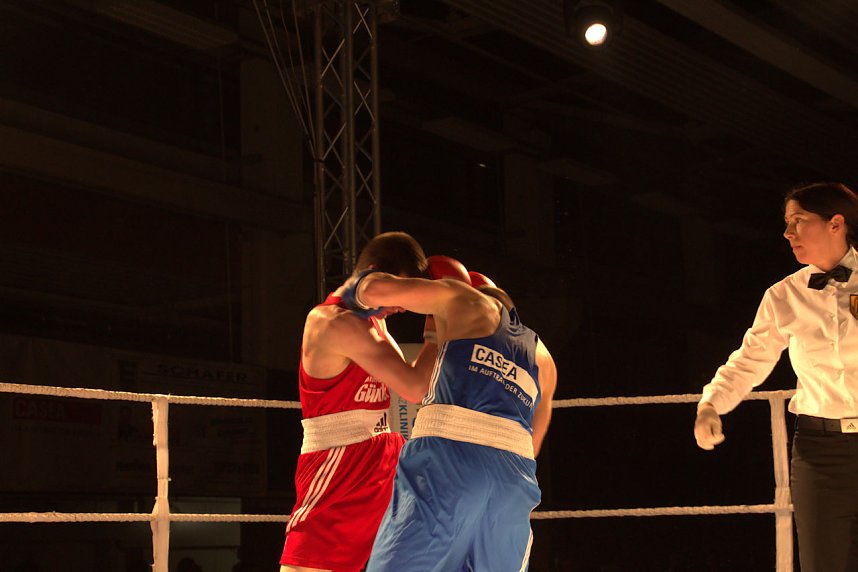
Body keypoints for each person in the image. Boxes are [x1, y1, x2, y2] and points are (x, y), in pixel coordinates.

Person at [341, 267, 557, 571]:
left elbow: (375, 290)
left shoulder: (465, 299)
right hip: (513, 488)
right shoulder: (545, 359)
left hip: (449, 464)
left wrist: (354, 289)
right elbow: (532, 446)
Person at [693, 181, 858, 572]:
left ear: (835, 224)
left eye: (798, 221)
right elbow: (750, 359)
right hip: (820, 452)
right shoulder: (784, 295)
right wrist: (711, 404)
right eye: (787, 223)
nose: (787, 233)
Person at [279, 231, 438, 572]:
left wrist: (437, 328)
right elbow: (414, 388)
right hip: (339, 463)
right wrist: (439, 329)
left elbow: (415, 383)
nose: (403, 305)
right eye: (402, 290)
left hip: (383, 458)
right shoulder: (333, 322)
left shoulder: (376, 322)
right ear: (376, 276)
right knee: (310, 564)